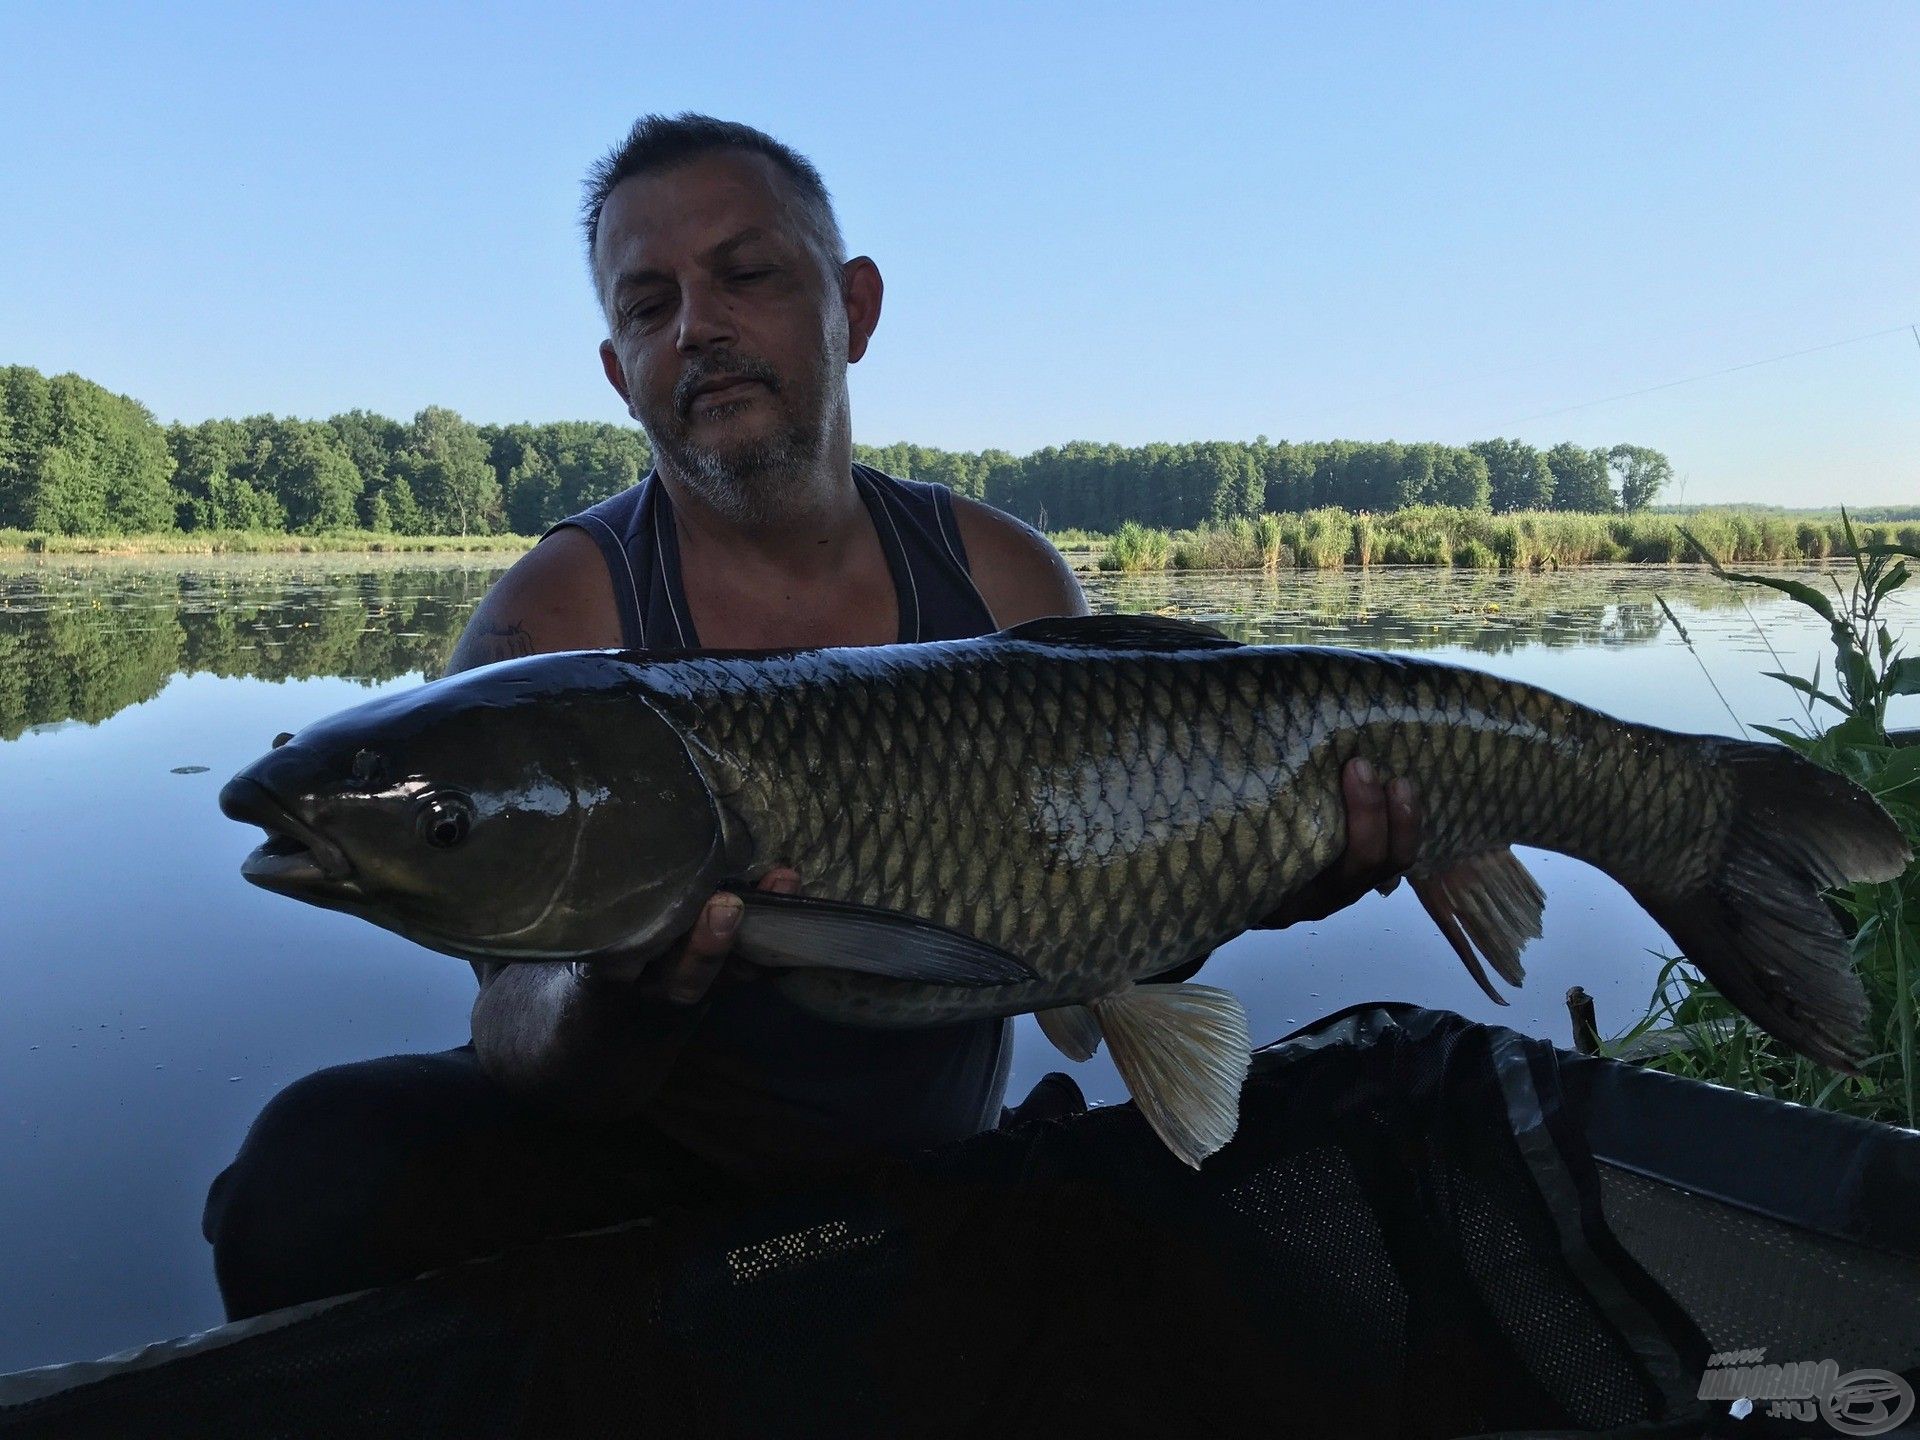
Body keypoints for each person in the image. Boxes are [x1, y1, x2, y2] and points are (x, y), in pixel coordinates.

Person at [202, 114, 1421, 1320]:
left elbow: (1116, 924)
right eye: (647, 306)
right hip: (641, 1170)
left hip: (936, 1160)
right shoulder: (556, 616)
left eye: (746, 275)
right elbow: (516, 1032)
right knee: (307, 1175)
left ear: (856, 309)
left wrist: (1273, 868)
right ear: (621, 370)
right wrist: (615, 997)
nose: (699, 328)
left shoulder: (1002, 582)